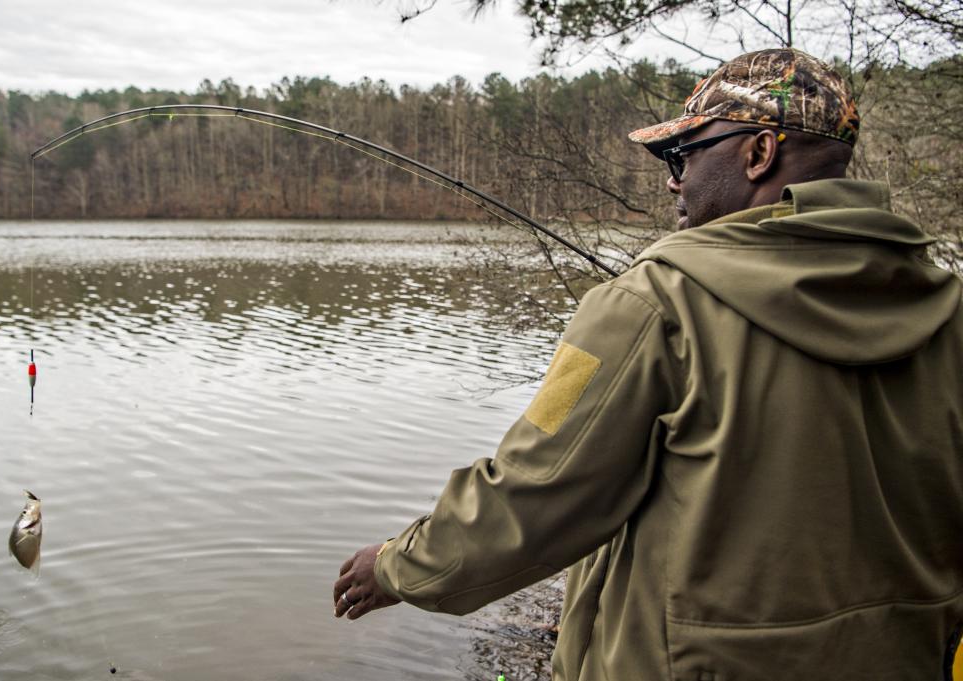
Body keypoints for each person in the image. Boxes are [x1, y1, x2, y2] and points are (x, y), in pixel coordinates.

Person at [333, 48, 963, 680]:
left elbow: (533, 494)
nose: (672, 179)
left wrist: (395, 566)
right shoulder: (949, 308)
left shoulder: (650, 304)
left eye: (683, 154)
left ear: (759, 154)